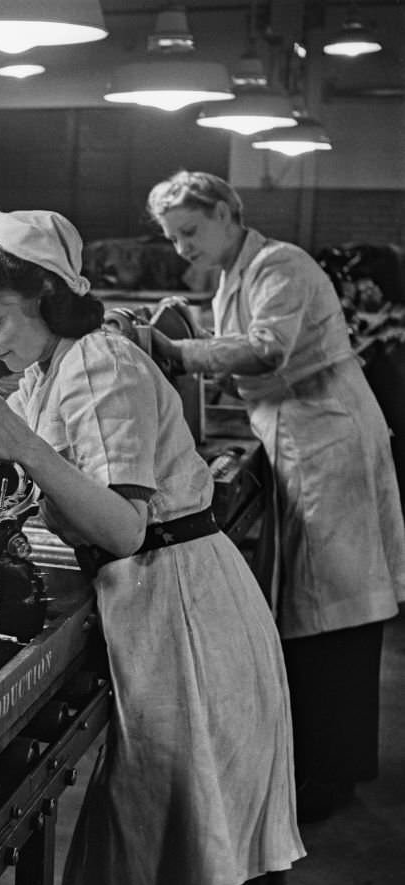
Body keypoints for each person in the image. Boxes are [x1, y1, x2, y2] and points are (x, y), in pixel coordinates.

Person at [0, 208, 305, 885]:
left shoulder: (102, 365)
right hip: (168, 602)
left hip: (180, 607)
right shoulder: (48, 368)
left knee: (149, 853)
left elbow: (124, 527)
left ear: (43, 297)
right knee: (205, 848)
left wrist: (22, 447)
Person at [145, 170, 405, 823]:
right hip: (300, 433)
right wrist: (186, 333)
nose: (181, 248)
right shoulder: (238, 274)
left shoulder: (279, 262)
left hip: (327, 437)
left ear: (229, 213)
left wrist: (174, 351)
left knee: (338, 608)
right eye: (173, 238)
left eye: (190, 231)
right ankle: (326, 761)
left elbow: (265, 349)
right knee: (320, 606)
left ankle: (333, 775)